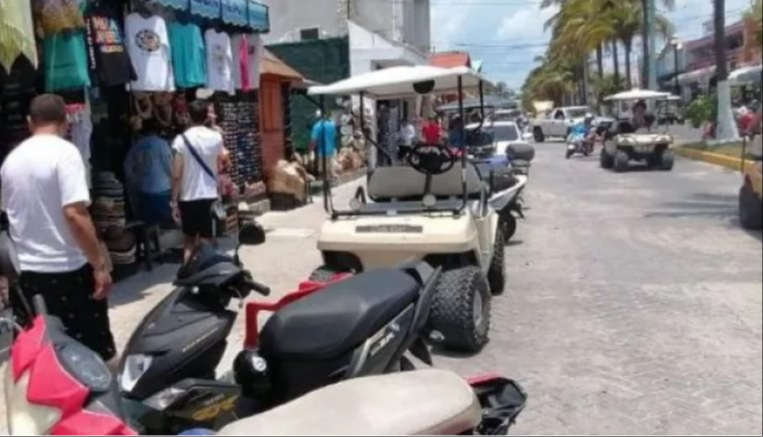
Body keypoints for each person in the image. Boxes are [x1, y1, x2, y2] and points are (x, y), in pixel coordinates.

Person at [1, 94, 116, 364]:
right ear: (66, 122)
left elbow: (9, 213)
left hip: (28, 274)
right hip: (68, 270)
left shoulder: (11, 162)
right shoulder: (65, 153)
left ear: (30, 122)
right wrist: (99, 265)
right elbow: (75, 214)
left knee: (42, 357)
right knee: (95, 355)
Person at [171, 100, 225, 264]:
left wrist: (173, 202)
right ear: (206, 116)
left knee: (189, 241)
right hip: (210, 195)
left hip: (188, 197)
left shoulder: (180, 140)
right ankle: (208, 274)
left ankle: (187, 273)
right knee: (207, 239)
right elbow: (220, 164)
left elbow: (176, 173)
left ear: (188, 116)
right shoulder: (216, 138)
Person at [124, 119, 173, 226]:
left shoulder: (137, 146)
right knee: (163, 221)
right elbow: (169, 166)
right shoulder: (162, 144)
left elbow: (127, 166)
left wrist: (135, 182)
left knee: (146, 222)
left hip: (143, 189)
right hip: (162, 189)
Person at [310, 111, 337, 179]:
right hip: (331, 152)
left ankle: (324, 184)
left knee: (322, 172)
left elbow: (314, 141)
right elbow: (334, 135)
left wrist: (310, 150)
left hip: (322, 153)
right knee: (331, 172)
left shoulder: (316, 126)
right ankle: (331, 185)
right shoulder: (332, 125)